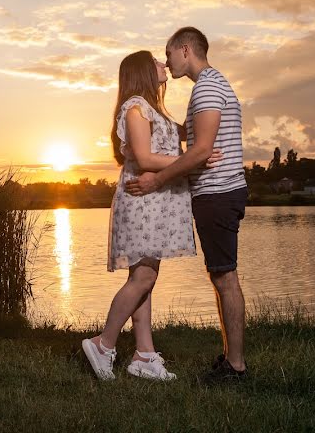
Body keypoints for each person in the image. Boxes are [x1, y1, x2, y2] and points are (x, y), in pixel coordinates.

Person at [82, 50, 222, 381]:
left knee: (145, 276)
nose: (163, 65)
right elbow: (144, 158)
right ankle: (103, 344)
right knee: (142, 277)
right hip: (142, 201)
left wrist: (210, 124)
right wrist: (195, 160)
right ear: (143, 71)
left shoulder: (153, 110)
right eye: (157, 62)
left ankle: (144, 355)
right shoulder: (135, 108)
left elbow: (189, 131)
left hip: (155, 203)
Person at [126, 27, 249, 384]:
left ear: (185, 50)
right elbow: (195, 138)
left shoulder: (207, 87)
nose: (166, 62)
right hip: (218, 191)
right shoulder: (210, 86)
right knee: (221, 275)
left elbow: (201, 149)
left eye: (168, 54)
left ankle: (236, 366)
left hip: (218, 193)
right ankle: (231, 358)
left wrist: (157, 178)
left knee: (225, 277)